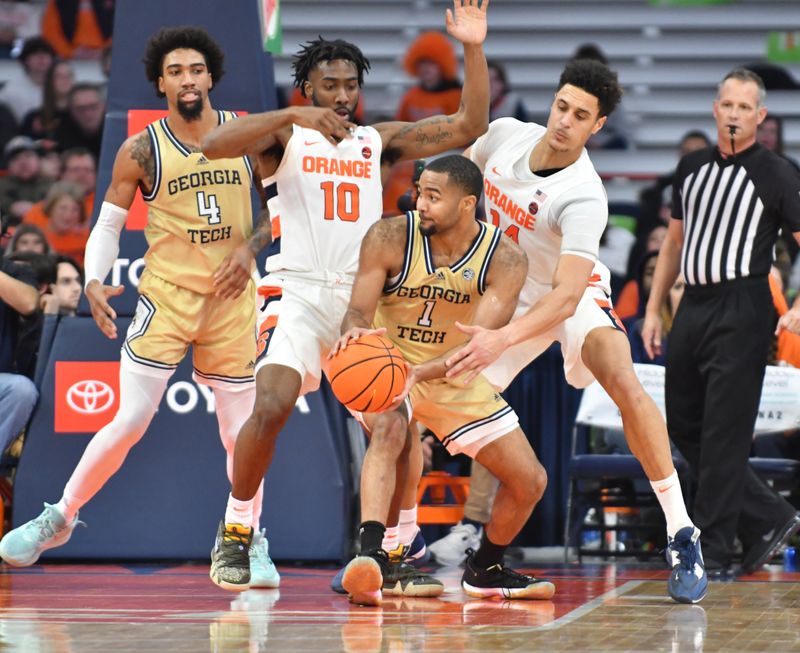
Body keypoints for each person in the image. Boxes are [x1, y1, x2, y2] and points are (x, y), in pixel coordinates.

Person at [201, 0, 491, 591]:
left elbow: (468, 126)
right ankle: (235, 531)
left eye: (349, 86)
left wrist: (473, 47)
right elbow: (212, 143)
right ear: (308, 87)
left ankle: (392, 551)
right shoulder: (282, 134)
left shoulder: (375, 141)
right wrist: (293, 114)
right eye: (328, 85)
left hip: (362, 302)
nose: (340, 95)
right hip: (297, 293)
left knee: (396, 427)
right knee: (272, 405)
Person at [0, 26, 280, 590]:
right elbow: (106, 223)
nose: (187, 79)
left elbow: (280, 211)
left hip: (232, 302)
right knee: (128, 420)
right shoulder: (142, 148)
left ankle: (249, 539)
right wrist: (97, 280)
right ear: (161, 82)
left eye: (196, 69)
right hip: (167, 298)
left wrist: (250, 252)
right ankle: (60, 516)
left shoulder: (246, 134)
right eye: (175, 71)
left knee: (241, 434)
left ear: (211, 77)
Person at [442, 58, 707, 604]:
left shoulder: (585, 194)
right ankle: (409, 546)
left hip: (571, 292)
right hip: (508, 291)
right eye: (562, 106)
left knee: (619, 370)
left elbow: (565, 297)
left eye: (580, 115)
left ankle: (682, 531)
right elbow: (455, 187)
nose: (564, 121)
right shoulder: (505, 137)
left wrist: (502, 340)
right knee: (427, 393)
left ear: (597, 126)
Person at [332, 155, 553, 606]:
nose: (421, 203)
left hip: (454, 373)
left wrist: (421, 373)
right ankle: (374, 558)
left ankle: (486, 568)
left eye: (434, 196)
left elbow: (478, 347)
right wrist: (354, 331)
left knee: (530, 480)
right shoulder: (390, 235)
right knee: (395, 428)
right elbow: (356, 310)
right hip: (386, 366)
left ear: (468, 203)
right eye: (420, 192)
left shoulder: (505, 259)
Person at [642, 68, 800, 578]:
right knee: (684, 423)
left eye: (744, 107)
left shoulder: (777, 172)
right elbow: (672, 242)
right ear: (715, 109)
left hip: (745, 305)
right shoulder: (689, 167)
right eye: (726, 104)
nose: (733, 113)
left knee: (726, 433)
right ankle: (769, 515)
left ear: (760, 117)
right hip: (693, 304)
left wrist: (797, 306)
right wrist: (652, 307)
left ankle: (715, 550)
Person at [0, 36, 55, 124]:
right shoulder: (10, 90)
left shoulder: (59, 86)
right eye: (35, 54)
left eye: (45, 53)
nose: (41, 58)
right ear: (25, 60)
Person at [0, 136, 53, 227]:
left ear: (38, 160)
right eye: (15, 158)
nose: (23, 162)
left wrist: (36, 210)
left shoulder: (51, 185)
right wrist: (9, 208)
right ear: (8, 165)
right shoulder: (2, 186)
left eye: (28, 156)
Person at [53, 83, 105, 158]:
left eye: (93, 107)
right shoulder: (60, 135)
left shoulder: (118, 131)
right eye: (81, 109)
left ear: (103, 106)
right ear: (71, 111)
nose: (88, 114)